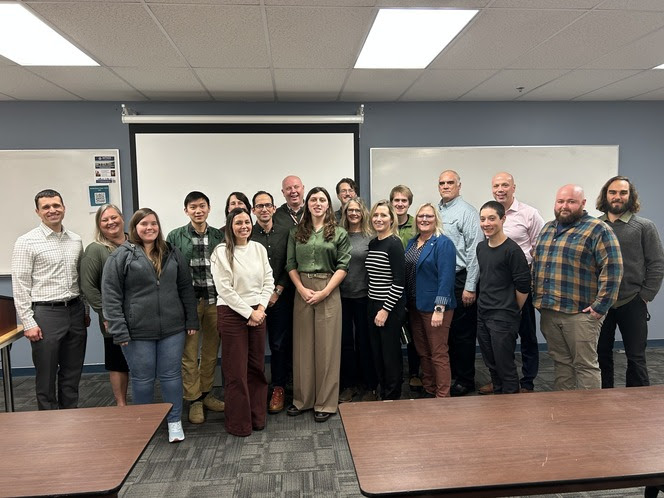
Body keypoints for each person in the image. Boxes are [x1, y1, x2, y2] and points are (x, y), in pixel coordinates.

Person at [102, 208, 199, 443]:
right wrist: (119, 329)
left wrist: (191, 320)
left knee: (171, 376)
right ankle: (144, 423)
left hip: (172, 328)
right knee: (142, 378)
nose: (149, 228)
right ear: (135, 227)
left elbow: (185, 288)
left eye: (153, 223)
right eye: (143, 224)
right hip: (137, 331)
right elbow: (111, 296)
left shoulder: (171, 252)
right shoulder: (121, 256)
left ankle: (174, 421)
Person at [532, 184, 623, 391]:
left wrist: (601, 306)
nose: (564, 206)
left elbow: (613, 269)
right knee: (562, 364)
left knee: (585, 366)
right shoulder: (547, 228)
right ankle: (567, 412)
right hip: (550, 311)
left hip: (580, 314)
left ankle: (589, 416)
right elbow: (537, 266)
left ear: (582, 203)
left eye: (571, 201)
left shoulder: (598, 229)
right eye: (560, 201)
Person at [11, 189, 90, 410]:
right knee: (46, 376)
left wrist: (85, 311)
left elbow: (79, 277)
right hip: (46, 314)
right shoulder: (26, 241)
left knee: (72, 373)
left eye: (56, 205)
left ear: (64, 208)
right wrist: (28, 322)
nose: (52, 210)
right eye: (46, 207)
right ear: (38, 212)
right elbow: (20, 284)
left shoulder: (75, 240)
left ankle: (70, 417)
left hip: (74, 311)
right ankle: (49, 424)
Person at [285, 187, 350, 422]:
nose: (318, 203)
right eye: (313, 199)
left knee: (327, 348)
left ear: (327, 205)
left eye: (322, 199)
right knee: (303, 347)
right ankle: (303, 400)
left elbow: (343, 266)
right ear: (307, 203)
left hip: (329, 290)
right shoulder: (296, 232)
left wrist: (325, 292)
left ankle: (325, 402)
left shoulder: (339, 233)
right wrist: (301, 289)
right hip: (301, 289)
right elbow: (290, 264)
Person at [479, 172, 545, 395]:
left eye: (505, 185)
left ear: (513, 187)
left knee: (526, 337)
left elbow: (540, 249)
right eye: (496, 185)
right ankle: (500, 383)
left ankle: (526, 383)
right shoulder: (483, 244)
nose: (500, 189)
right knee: (495, 349)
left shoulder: (529, 214)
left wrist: (511, 307)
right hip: (494, 298)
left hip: (517, 292)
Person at [596, 176, 664, 388]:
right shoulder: (594, 226)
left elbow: (657, 263)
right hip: (601, 303)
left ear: (630, 196)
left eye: (623, 193)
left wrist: (645, 296)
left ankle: (638, 405)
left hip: (633, 301)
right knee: (600, 356)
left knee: (636, 358)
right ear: (606, 195)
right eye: (613, 192)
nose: (617, 197)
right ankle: (602, 401)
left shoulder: (644, 226)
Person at [211, 208, 273, 436]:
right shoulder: (221, 252)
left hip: (258, 311)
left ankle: (257, 418)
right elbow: (224, 289)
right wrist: (249, 313)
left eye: (247, 222)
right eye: (239, 222)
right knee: (236, 371)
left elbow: (269, 279)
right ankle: (239, 423)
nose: (244, 226)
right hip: (232, 313)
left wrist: (261, 308)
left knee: (256, 368)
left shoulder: (258, 248)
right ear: (230, 225)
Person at [166, 191, 225, 424]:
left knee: (210, 351)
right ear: (186, 211)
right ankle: (193, 399)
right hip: (188, 304)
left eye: (202, 206)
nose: (198, 211)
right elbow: (170, 270)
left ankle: (207, 393)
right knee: (189, 354)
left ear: (209, 208)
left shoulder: (219, 235)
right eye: (193, 207)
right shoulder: (175, 236)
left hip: (215, 301)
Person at [476, 201, 531, 395]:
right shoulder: (481, 248)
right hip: (483, 313)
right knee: (491, 364)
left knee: (505, 366)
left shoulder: (512, 250)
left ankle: (511, 410)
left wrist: (510, 309)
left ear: (503, 219)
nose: (486, 223)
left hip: (503, 317)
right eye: (483, 219)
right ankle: (498, 405)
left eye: (492, 218)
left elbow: (523, 286)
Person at [437, 170, 483, 396]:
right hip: (441, 279)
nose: (445, 186)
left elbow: (475, 252)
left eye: (450, 183)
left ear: (459, 186)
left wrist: (470, 286)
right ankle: (452, 374)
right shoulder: (435, 211)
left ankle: (465, 380)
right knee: (447, 331)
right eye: (442, 183)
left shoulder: (467, 212)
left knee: (463, 333)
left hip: (460, 278)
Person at [405, 203, 456, 397]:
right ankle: (429, 389)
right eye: (420, 216)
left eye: (429, 216)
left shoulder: (443, 243)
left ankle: (443, 396)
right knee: (423, 351)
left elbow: (446, 277)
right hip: (414, 305)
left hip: (435, 307)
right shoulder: (412, 242)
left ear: (436, 220)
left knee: (438, 353)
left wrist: (439, 307)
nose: (424, 219)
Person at [80, 204, 129, 406]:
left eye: (114, 217)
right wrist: (106, 314)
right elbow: (88, 287)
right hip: (113, 317)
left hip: (140, 315)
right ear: (99, 225)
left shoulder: (136, 243)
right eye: (104, 220)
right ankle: (121, 403)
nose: (110, 222)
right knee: (118, 361)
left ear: (122, 218)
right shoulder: (96, 250)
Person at [250, 190, 293, 414]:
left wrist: (277, 291)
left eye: (268, 205)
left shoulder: (287, 232)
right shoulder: (247, 234)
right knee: (254, 347)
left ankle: (279, 387)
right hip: (253, 302)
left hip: (281, 299)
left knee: (278, 344)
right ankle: (256, 389)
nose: (264, 209)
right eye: (259, 206)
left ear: (274, 208)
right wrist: (260, 299)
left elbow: (290, 263)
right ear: (253, 210)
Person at [338, 197, 378, 402]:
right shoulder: (338, 234)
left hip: (364, 296)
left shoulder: (371, 236)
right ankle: (349, 385)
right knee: (345, 343)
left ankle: (369, 385)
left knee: (365, 342)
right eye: (350, 210)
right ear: (345, 213)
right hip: (341, 297)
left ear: (363, 213)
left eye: (357, 210)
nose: (354, 213)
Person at [366, 200, 406, 400]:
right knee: (377, 353)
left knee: (390, 355)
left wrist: (385, 310)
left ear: (392, 219)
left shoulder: (395, 244)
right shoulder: (374, 242)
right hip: (372, 304)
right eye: (376, 215)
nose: (379, 219)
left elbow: (399, 282)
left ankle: (392, 396)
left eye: (383, 215)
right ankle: (382, 391)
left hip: (389, 307)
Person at [390, 184, 421, 392]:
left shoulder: (416, 225)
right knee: (392, 331)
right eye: (396, 200)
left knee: (414, 330)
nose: (400, 204)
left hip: (413, 283)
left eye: (404, 201)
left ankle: (415, 373)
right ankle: (395, 374)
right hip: (389, 285)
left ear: (409, 204)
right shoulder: (384, 222)